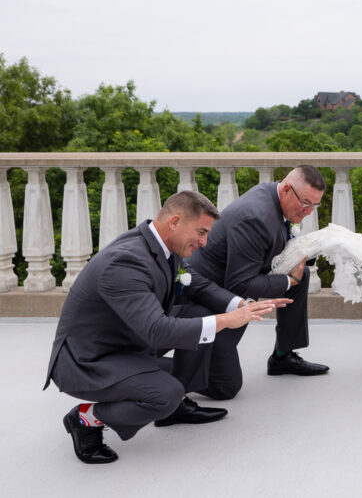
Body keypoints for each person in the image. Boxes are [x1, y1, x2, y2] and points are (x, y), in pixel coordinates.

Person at [44, 191, 289, 464]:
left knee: (199, 313)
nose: (204, 242)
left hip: (127, 342)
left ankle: (175, 408)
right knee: (165, 392)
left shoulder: (164, 247)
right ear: (175, 222)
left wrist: (240, 305)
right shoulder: (125, 261)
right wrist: (226, 321)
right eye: (201, 232)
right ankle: (86, 419)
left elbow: (197, 284)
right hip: (88, 360)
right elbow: (157, 331)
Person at [180, 165, 329, 400]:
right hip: (210, 298)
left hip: (234, 279)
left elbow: (273, 246)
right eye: (306, 203)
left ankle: (283, 355)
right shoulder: (256, 217)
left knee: (303, 276)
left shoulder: (274, 195)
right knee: (226, 387)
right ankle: (153, 371)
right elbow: (241, 283)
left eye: (315, 205)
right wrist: (289, 281)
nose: (309, 211)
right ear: (287, 190)